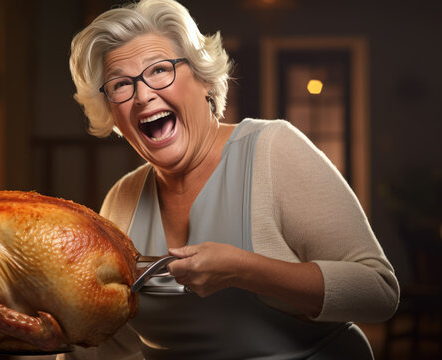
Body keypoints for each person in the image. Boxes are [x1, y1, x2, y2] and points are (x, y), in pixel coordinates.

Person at [65, 0, 399, 358]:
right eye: (120, 84)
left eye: (160, 70)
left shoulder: (273, 149)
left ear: (203, 79)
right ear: (112, 113)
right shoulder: (122, 199)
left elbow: (377, 292)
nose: (144, 95)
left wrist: (243, 270)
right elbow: (110, 338)